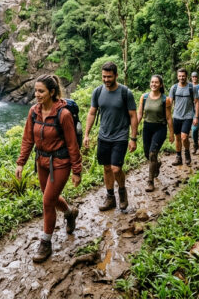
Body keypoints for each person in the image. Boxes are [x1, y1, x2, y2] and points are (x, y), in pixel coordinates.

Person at [16, 75, 81, 263]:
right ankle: (70, 212)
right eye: (35, 91)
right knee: (48, 196)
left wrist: (77, 170)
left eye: (41, 91)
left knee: (47, 201)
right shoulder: (34, 112)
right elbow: (28, 138)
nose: (37, 94)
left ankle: (46, 243)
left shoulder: (64, 114)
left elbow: (72, 145)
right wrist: (21, 162)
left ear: (52, 92)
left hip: (60, 163)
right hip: (42, 162)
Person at [83, 61, 138, 211]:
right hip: (103, 136)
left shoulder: (125, 92)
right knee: (107, 168)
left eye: (109, 77)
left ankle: (122, 191)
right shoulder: (98, 92)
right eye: (104, 77)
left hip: (120, 136)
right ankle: (110, 197)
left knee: (115, 168)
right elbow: (92, 112)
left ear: (116, 76)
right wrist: (86, 134)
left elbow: (133, 116)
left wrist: (133, 138)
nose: (106, 80)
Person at [137, 75, 174, 192]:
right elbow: (139, 114)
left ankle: (150, 181)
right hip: (147, 127)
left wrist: (171, 133)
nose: (154, 84)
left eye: (156, 82)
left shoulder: (165, 99)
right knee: (147, 155)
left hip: (160, 128)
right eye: (152, 82)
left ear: (161, 85)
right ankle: (156, 165)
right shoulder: (144, 97)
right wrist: (134, 127)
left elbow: (168, 117)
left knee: (153, 153)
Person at [169, 68, 199, 166]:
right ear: (177, 77)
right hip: (176, 116)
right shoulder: (173, 88)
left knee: (184, 137)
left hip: (188, 116)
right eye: (180, 76)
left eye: (183, 76)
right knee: (177, 138)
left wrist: (196, 117)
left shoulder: (192, 87)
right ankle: (178, 158)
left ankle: (187, 153)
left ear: (186, 76)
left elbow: (197, 102)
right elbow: (169, 102)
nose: (181, 78)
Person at [190, 71, 199, 153]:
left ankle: (195, 144)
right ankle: (194, 144)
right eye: (193, 77)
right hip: (189, 109)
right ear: (191, 78)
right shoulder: (189, 86)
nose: (194, 78)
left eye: (196, 77)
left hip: (197, 109)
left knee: (195, 129)